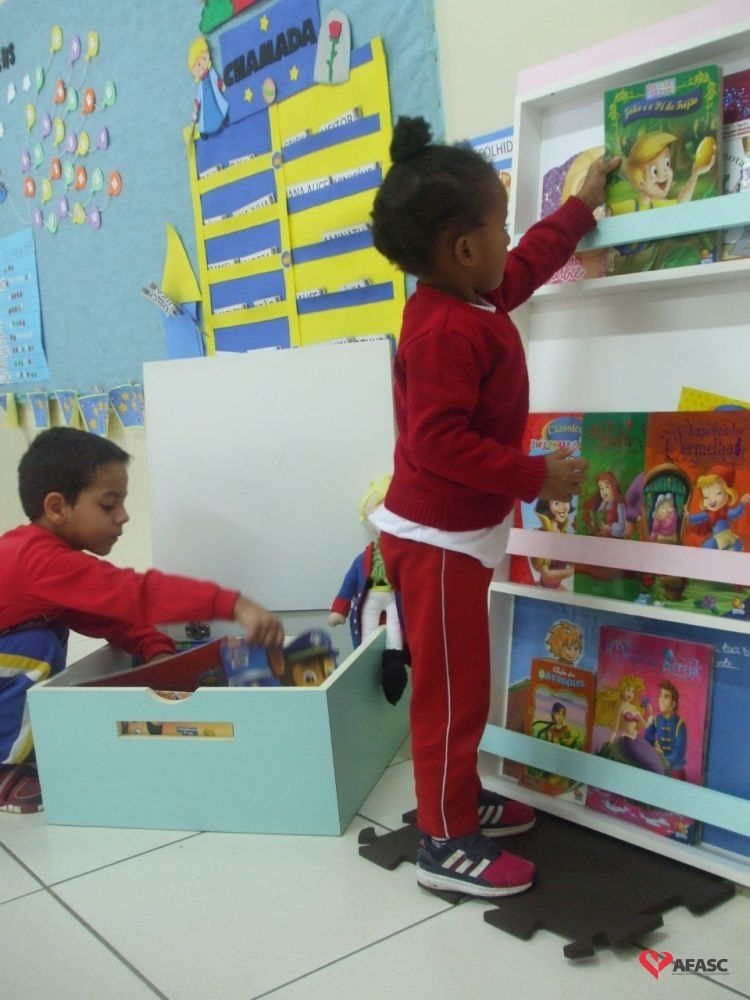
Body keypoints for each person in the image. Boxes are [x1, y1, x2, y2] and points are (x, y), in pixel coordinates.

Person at [368, 115, 618, 898]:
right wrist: (531, 476)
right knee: (453, 694)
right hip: (437, 544)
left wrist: (578, 207)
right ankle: (445, 842)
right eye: (500, 225)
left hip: (455, 539)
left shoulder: (470, 295)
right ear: (463, 248)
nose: (509, 239)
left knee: (461, 685)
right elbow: (438, 442)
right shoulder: (443, 329)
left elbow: (528, 265)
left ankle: (458, 799)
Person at [0, 427, 283, 813]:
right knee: (37, 647)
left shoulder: (46, 564)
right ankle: (6, 769)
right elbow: (137, 593)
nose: (123, 516)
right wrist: (233, 605)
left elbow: (111, 615)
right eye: (108, 505)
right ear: (57, 507)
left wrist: (156, 651)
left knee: (43, 635)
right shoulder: (39, 561)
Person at [645, 680, 687, 779]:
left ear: (673, 704)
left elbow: (679, 752)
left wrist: (662, 760)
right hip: (657, 766)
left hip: (674, 769)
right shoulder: (656, 719)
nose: (661, 700)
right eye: (660, 696)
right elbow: (647, 740)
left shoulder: (680, 724)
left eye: (666, 697)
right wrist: (648, 726)